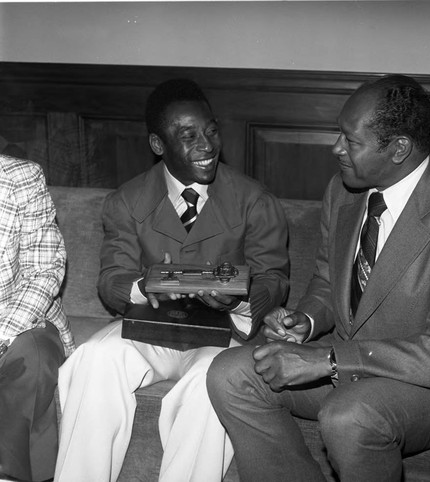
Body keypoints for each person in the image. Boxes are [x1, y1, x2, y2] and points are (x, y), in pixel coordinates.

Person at [207, 74, 430, 482]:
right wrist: (304, 322)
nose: (336, 148)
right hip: (347, 364)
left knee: (349, 414)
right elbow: (328, 281)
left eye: (351, 141)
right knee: (228, 374)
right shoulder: (343, 192)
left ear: (399, 149)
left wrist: (326, 360)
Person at [54, 78, 289, 482]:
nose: (207, 145)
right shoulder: (127, 200)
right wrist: (144, 286)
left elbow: (274, 278)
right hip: (153, 326)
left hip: (225, 334)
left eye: (211, 131)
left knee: (210, 384)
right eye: (189, 135)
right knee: (92, 359)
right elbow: (111, 279)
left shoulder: (255, 199)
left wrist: (238, 298)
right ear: (158, 145)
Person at [0, 155, 75, 482]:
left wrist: (1, 338)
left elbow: (44, 272)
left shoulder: (19, 178)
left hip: (18, 317)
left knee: (35, 359)